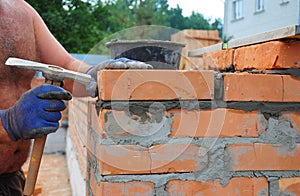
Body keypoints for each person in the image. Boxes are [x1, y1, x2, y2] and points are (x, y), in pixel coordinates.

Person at [0, 0, 152, 195]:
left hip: (11, 179)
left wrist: (94, 75)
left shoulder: (21, 11)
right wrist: (8, 122)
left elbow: (65, 66)